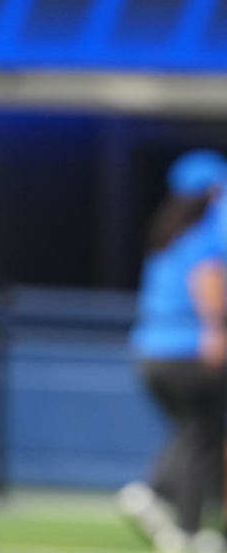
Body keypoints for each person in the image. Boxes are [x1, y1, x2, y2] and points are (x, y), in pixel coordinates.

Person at [119, 150, 227, 551]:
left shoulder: (168, 230)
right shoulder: (206, 228)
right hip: (188, 349)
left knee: (193, 431)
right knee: (204, 433)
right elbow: (208, 279)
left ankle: (159, 501)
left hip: (150, 352)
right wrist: (216, 329)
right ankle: (172, 513)